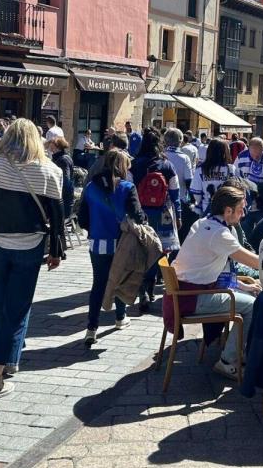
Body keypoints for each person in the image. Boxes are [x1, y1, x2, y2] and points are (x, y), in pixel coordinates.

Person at [0, 119, 65, 400]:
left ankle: (6, 359)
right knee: (18, 307)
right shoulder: (50, 170)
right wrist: (56, 250)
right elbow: (57, 216)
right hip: (30, 244)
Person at [171, 186, 261, 380]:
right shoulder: (220, 234)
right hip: (193, 298)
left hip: (184, 294)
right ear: (228, 210)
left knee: (249, 295)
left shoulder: (202, 222)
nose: (243, 214)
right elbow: (255, 262)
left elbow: (215, 269)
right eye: (240, 209)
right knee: (253, 305)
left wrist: (243, 286)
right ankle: (228, 361)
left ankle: (239, 351)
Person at [77, 149, 145, 345]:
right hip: (121, 242)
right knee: (121, 279)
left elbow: (82, 217)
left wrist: (94, 229)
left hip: (97, 242)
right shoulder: (127, 187)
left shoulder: (91, 187)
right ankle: (120, 317)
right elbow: (138, 215)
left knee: (99, 284)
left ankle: (91, 328)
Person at [130, 130, 182, 308]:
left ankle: (142, 288)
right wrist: (179, 215)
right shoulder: (167, 165)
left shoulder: (134, 164)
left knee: (141, 251)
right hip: (163, 214)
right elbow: (175, 194)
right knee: (159, 252)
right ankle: (151, 288)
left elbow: (129, 191)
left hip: (140, 213)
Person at [190, 138, 237, 213]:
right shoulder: (231, 169)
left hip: (207, 210)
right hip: (226, 211)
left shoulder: (201, 169)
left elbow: (196, 193)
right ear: (225, 152)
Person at [49, 137, 75, 218]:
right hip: (61, 196)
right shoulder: (60, 157)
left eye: (51, 143)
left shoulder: (63, 160)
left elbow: (65, 181)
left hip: (63, 198)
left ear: (56, 146)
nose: (49, 145)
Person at [163, 128, 194, 196]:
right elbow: (189, 180)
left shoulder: (160, 155)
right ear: (180, 141)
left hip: (162, 199)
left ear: (165, 141)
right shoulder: (185, 158)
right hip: (180, 197)